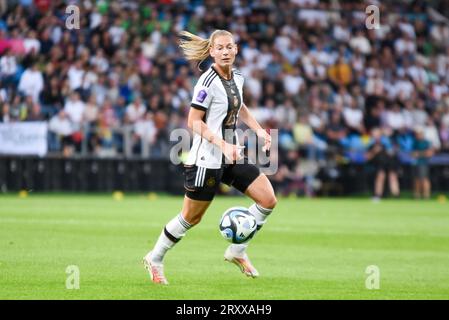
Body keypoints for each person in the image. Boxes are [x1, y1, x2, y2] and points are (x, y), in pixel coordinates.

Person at [142, 30, 276, 285]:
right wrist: (223, 145)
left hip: (231, 154)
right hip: (207, 159)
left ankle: (237, 250)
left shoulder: (238, 77)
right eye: (220, 48)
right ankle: (155, 257)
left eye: (229, 47)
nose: (225, 52)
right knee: (190, 218)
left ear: (236, 49)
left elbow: (240, 107)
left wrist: (260, 131)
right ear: (212, 52)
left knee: (268, 200)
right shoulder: (206, 82)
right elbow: (193, 121)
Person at [365, 127, 400, 201]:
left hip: (391, 162)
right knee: (380, 177)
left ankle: (396, 195)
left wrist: (387, 150)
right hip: (380, 163)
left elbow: (393, 152)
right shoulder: (371, 143)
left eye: (376, 134)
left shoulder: (386, 141)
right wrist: (374, 151)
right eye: (373, 134)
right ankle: (377, 195)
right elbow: (367, 157)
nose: (375, 135)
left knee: (392, 177)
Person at [412, 127, 434, 199]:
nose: (418, 135)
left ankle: (426, 195)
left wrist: (419, 153)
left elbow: (429, 153)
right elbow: (413, 154)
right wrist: (423, 153)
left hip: (424, 163)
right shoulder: (415, 142)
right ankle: (417, 195)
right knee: (417, 179)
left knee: (425, 179)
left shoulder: (426, 142)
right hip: (417, 163)